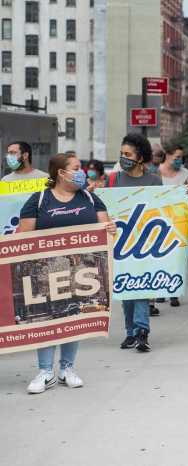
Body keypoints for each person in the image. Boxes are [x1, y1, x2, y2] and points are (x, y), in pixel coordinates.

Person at [18, 152, 116, 394]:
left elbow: (106, 229)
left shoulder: (91, 199)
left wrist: (110, 229)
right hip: (44, 272)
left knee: (73, 317)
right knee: (46, 318)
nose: (81, 171)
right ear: (61, 173)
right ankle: (45, 372)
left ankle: (67, 369)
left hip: (82, 271)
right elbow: (22, 236)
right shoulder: (39, 200)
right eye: (76, 167)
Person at [108, 133, 163, 351]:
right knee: (126, 290)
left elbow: (163, 209)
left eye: (128, 154)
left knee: (141, 287)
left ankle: (142, 331)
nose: (124, 158)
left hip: (146, 242)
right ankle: (130, 332)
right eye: (122, 154)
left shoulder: (154, 181)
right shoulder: (114, 180)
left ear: (140, 157)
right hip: (121, 242)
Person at [158, 143, 188, 307]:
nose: (180, 160)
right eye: (177, 157)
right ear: (167, 155)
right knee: (159, 256)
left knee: (176, 258)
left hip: (178, 221)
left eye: (181, 157)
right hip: (158, 220)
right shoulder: (155, 172)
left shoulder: (185, 173)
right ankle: (159, 290)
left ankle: (173, 291)